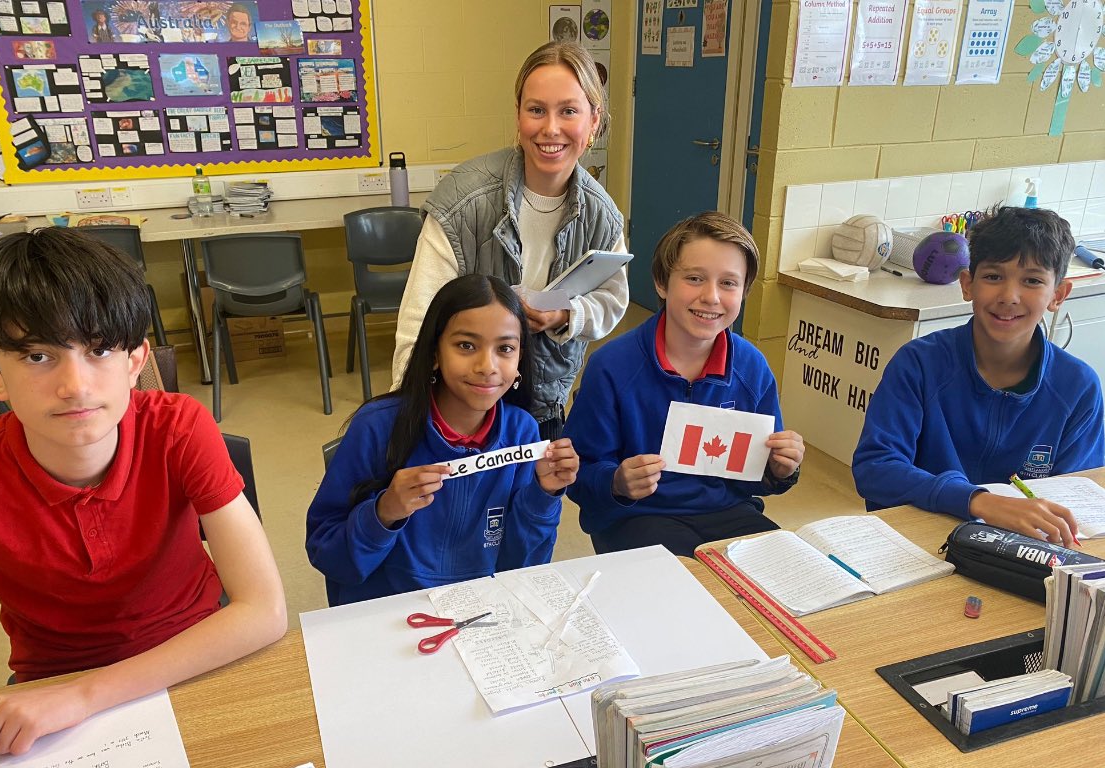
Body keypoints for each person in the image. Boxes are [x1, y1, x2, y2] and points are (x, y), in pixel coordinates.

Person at [0, 228, 287, 768]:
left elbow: (263, 609)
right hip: (49, 686)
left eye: (99, 349)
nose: (75, 385)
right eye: (37, 355)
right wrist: (68, 697)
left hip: (195, 654)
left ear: (136, 361)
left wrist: (83, 697)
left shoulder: (180, 428)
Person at [852, 206, 1105, 768]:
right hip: (917, 554)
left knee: (1045, 645)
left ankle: (1021, 761)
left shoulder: (1078, 387)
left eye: (1032, 281)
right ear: (965, 284)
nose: (1009, 297)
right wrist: (979, 501)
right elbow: (874, 470)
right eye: (992, 276)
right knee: (909, 676)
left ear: (1059, 294)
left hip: (1022, 567)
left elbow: (1075, 501)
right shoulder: (919, 365)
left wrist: (1031, 522)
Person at [391, 40, 628, 441]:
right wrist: (405, 421)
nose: (550, 128)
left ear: (594, 120)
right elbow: (417, 322)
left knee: (531, 501)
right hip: (460, 407)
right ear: (518, 116)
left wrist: (567, 315)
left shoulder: (603, 215)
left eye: (568, 111)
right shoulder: (462, 201)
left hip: (543, 405)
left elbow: (612, 299)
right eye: (536, 110)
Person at [307, 274, 580, 606]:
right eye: (466, 345)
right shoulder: (377, 427)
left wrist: (543, 495)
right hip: (389, 611)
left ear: (520, 359)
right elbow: (328, 555)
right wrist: (383, 512)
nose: (486, 366)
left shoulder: (522, 432)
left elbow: (523, 568)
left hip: (482, 609)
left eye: (505, 348)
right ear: (434, 352)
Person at [564, 212, 805, 557]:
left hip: (728, 514)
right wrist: (616, 481)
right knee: (681, 594)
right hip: (637, 517)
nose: (711, 297)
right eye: (694, 278)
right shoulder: (613, 367)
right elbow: (580, 473)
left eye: (728, 283)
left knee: (788, 570)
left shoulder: (752, 368)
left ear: (744, 292)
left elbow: (759, 478)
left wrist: (780, 470)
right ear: (662, 283)